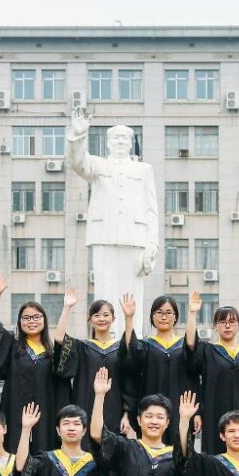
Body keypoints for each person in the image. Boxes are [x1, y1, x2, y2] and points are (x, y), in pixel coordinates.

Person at [66, 109, 160, 338]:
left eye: (125, 138)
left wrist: (152, 245)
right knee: (105, 291)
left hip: (135, 239)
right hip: (104, 236)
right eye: (116, 138)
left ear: (130, 143)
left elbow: (151, 209)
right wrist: (78, 134)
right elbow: (78, 163)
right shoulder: (98, 165)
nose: (120, 142)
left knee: (132, 295)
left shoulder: (143, 170)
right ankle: (103, 340)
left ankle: (132, 341)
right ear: (108, 143)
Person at [0, 274, 67, 453]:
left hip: (46, 413)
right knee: (15, 453)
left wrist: (67, 307)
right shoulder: (12, 346)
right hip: (15, 412)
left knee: (44, 453)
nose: (31, 321)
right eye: (26, 318)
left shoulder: (53, 354)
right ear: (20, 323)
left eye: (36, 317)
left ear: (44, 320)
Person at [185, 292, 239, 456]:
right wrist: (192, 314)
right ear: (215, 326)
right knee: (214, 459)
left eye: (232, 322)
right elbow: (190, 346)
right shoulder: (207, 351)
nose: (227, 326)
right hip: (214, 414)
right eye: (222, 322)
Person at [54, 290, 135, 441]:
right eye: (96, 315)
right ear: (90, 320)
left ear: (113, 318)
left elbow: (129, 382)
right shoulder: (82, 347)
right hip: (85, 408)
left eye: (106, 315)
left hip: (114, 411)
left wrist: (127, 414)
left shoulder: (121, 349)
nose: (101, 319)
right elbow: (59, 339)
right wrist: (67, 308)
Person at [123, 294, 200, 444]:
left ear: (175, 317)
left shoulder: (184, 347)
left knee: (181, 451)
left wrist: (198, 413)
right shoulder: (145, 346)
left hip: (181, 410)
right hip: (151, 412)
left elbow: (195, 378)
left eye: (168, 313)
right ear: (152, 317)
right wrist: (129, 318)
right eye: (159, 312)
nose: (163, 317)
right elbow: (129, 356)